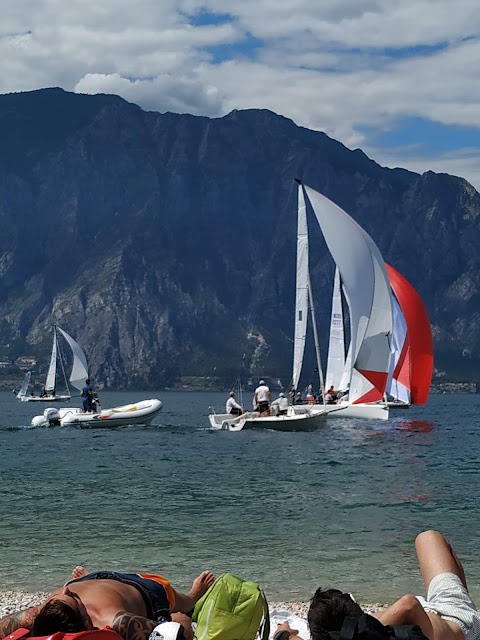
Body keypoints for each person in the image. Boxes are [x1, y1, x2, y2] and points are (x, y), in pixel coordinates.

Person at [306, 530, 480, 640]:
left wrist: (284, 633)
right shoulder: (369, 629)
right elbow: (408, 603)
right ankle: (469, 606)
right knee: (430, 538)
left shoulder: (377, 631)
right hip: (459, 621)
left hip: (435, 613)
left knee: (427, 538)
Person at [0, 566, 215, 640]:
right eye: (73, 597)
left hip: (86, 580)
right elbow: (178, 633)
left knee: (183, 603)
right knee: (178, 606)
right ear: (87, 624)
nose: (66, 590)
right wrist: (180, 620)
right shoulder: (117, 621)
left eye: (63, 594)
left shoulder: (37, 614)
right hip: (141, 587)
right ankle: (192, 598)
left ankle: (192, 596)